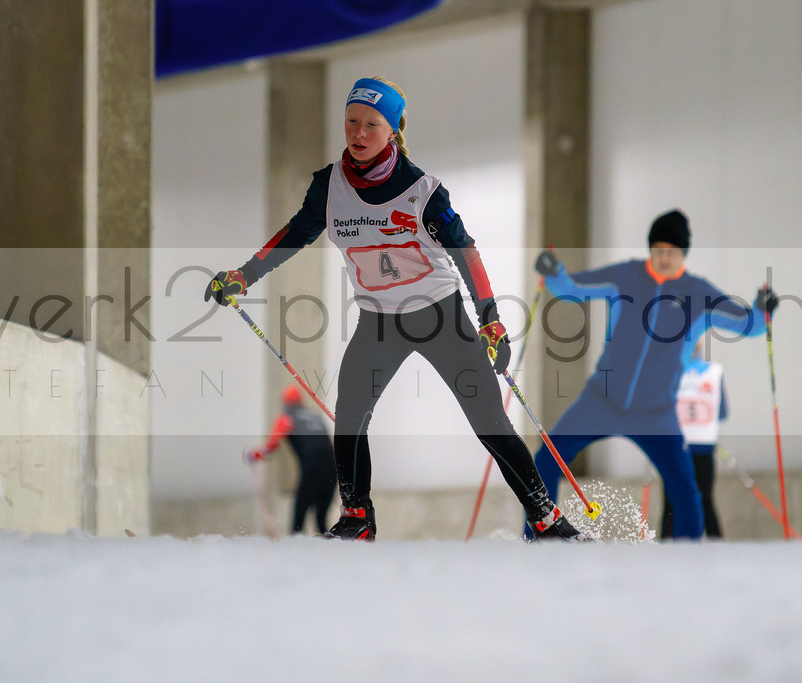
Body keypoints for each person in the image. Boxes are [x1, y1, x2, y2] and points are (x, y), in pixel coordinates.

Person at [206, 76, 586, 542]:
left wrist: (490, 319)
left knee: (489, 421)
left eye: (371, 124)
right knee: (349, 416)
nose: (359, 133)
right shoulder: (329, 188)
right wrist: (243, 275)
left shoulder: (423, 191)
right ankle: (357, 516)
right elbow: (294, 235)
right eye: (351, 122)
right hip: (379, 322)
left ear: (392, 132)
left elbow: (466, 252)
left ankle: (546, 518)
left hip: (440, 317)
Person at [530, 209, 778, 540]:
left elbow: (746, 324)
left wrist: (762, 309)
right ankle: (536, 538)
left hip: (656, 412)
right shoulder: (627, 276)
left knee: (686, 489)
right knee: (546, 458)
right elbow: (574, 288)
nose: (663, 257)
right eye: (658, 249)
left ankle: (688, 556)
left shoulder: (698, 293)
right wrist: (554, 272)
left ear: (683, 253)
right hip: (602, 400)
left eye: (671, 251)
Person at [245, 385, 338, 535]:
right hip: (332, 471)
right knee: (321, 522)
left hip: (311, 469)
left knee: (298, 523)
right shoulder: (316, 418)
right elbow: (333, 446)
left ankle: (297, 554)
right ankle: (332, 554)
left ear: (285, 403)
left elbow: (270, 446)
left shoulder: (287, 418)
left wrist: (252, 454)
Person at [662, 340, 727, 539]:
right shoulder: (715, 371)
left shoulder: (669, 370)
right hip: (704, 446)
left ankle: (665, 544)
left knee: (672, 501)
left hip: (676, 447)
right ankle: (716, 541)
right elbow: (723, 412)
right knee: (705, 499)